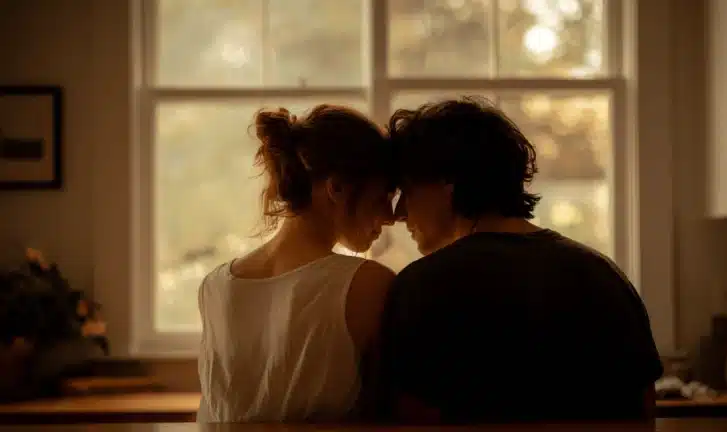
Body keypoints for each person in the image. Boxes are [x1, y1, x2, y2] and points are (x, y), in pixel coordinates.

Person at [375, 97, 663, 423]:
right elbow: (642, 411)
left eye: (407, 191)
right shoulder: (602, 274)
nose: (399, 213)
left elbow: (411, 419)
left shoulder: (421, 285)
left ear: (446, 185)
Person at [197, 105, 397, 423]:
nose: (390, 217)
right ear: (337, 188)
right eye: (382, 197)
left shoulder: (214, 285)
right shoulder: (365, 284)